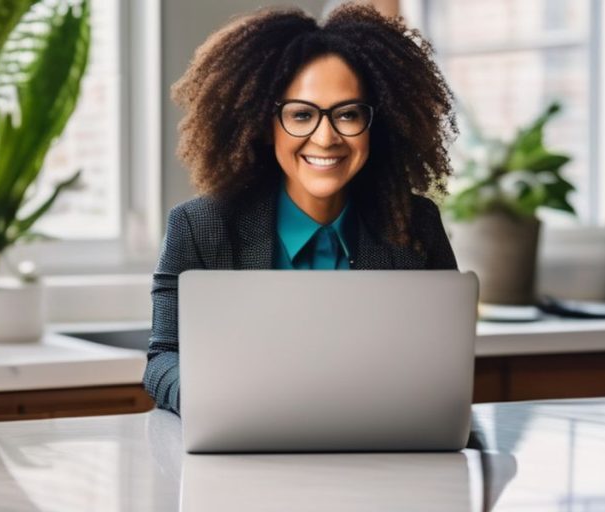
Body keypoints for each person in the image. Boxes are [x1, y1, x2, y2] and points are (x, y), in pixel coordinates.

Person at [145, 3, 459, 414]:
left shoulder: (417, 226)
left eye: (347, 114)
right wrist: (211, 401)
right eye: (301, 114)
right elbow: (162, 360)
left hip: (381, 455)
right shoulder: (199, 226)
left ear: (376, 123)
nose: (325, 137)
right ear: (263, 122)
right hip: (242, 458)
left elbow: (445, 366)